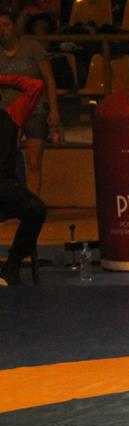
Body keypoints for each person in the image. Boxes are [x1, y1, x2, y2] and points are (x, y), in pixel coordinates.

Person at [0, 9, 58, 196]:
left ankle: (33, 203)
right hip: (8, 114)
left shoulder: (32, 47)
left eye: (6, 25)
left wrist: (54, 110)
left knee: (34, 162)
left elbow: (48, 79)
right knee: (8, 161)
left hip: (35, 110)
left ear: (14, 26)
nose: (2, 30)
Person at [0, 73, 45, 287]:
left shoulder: (11, 116)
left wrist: (1, 79)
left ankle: (12, 265)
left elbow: (36, 86)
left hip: (4, 186)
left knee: (36, 209)